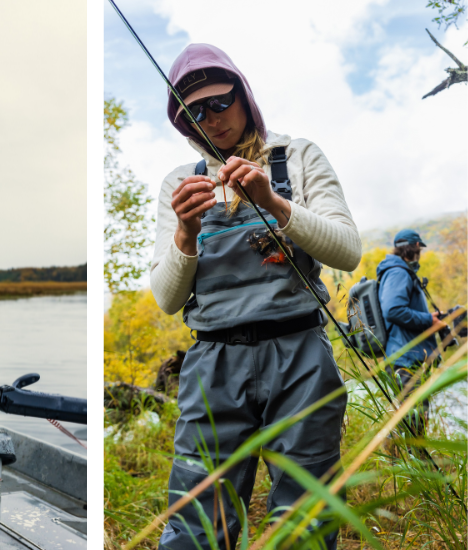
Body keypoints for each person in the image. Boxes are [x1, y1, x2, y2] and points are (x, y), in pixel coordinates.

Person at [151, 44, 362, 549]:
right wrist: (185, 234)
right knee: (195, 523)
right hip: (212, 362)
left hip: (301, 355)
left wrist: (273, 201)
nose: (211, 119)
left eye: (220, 102)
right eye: (195, 112)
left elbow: (348, 250)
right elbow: (166, 297)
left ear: (243, 96)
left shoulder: (300, 156)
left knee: (307, 521)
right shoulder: (179, 184)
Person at [376, 229, 446, 434]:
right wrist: (428, 320)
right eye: (420, 250)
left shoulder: (397, 271)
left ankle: (403, 461)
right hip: (404, 359)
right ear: (416, 247)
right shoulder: (398, 272)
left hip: (407, 357)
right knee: (413, 423)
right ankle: (407, 462)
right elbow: (393, 310)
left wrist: (430, 318)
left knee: (410, 421)